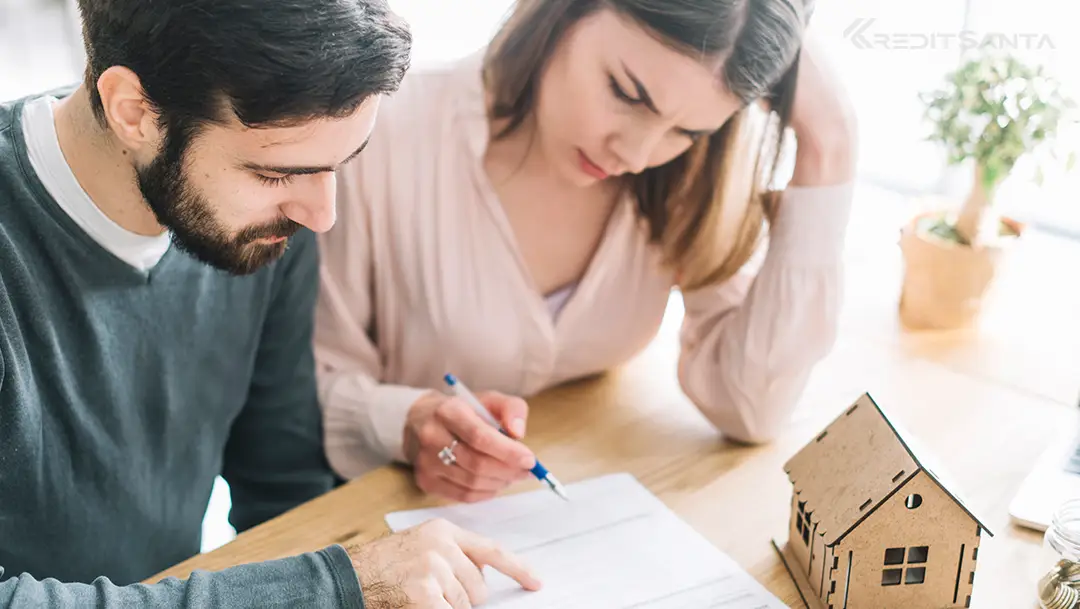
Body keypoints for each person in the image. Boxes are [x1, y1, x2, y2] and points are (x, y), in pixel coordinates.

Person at [0, 1, 540, 607]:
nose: (321, 215)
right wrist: (328, 591)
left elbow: (282, 483)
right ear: (134, 111)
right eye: (276, 175)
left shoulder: (259, 228)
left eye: (339, 166)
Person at [315, 0, 858, 504]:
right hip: (376, 516)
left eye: (688, 131)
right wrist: (405, 423)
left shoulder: (689, 177)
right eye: (627, 93)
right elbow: (302, 384)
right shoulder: (384, 135)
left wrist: (830, 143)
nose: (638, 153)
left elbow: (751, 406)